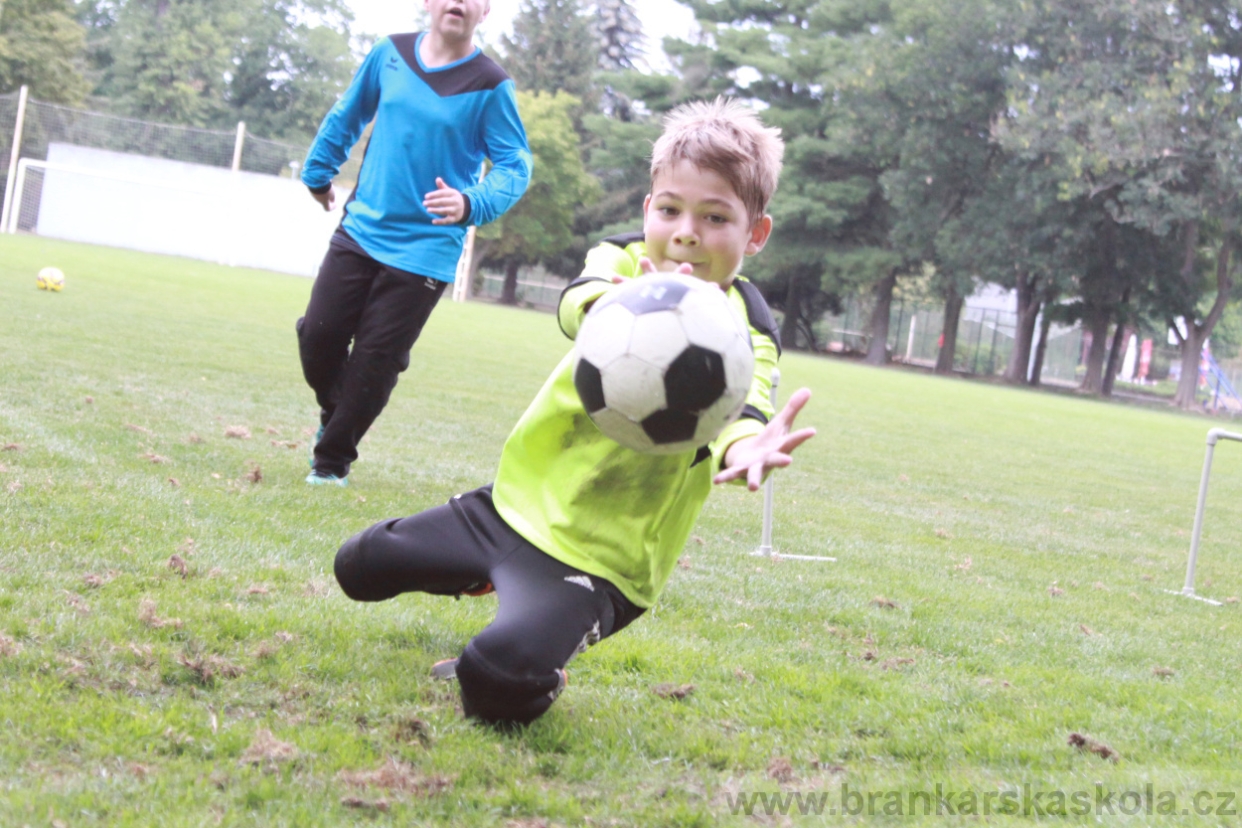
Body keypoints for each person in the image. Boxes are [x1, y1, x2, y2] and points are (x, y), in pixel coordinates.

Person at [333, 98, 815, 725]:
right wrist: (610, 308)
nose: (686, 232)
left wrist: (745, 444)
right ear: (649, 211)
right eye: (670, 210)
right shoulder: (620, 261)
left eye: (715, 216)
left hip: (600, 562)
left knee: (495, 681)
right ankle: (489, 578)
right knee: (358, 565)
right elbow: (577, 302)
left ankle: (537, 647)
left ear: (755, 233)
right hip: (512, 508)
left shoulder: (747, 331)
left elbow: (746, 406)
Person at [297, 0, 532, 486]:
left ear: (484, 11)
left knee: (375, 361)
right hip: (361, 229)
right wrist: (318, 173)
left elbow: (514, 166)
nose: (457, 3)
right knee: (318, 336)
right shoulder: (389, 54)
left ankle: (331, 461)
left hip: (427, 247)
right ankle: (338, 412)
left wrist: (471, 204)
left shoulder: (490, 84)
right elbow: (347, 116)